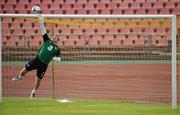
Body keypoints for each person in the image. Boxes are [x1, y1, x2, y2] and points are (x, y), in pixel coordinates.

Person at [12, 14, 61, 99]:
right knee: (24, 70)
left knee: (38, 81)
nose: (54, 37)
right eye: (54, 36)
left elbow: (59, 58)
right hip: (37, 60)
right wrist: (41, 21)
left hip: (44, 65)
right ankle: (19, 77)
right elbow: (43, 30)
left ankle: (33, 92)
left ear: (57, 41)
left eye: (56, 37)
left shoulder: (57, 49)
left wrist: (56, 59)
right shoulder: (47, 40)